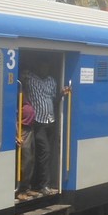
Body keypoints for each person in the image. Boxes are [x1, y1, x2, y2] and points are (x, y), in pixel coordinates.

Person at [21, 61, 69, 196]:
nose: (44, 69)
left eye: (47, 67)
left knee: (45, 154)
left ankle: (39, 184)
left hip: (50, 121)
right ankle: (43, 185)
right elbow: (19, 75)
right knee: (44, 152)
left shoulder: (51, 81)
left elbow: (53, 100)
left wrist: (61, 94)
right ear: (37, 67)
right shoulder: (30, 78)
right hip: (37, 123)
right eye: (42, 66)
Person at [15, 89, 37, 200]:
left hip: (29, 129)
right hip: (22, 130)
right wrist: (16, 135)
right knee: (25, 160)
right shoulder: (16, 96)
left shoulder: (26, 95)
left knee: (30, 160)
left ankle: (27, 187)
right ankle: (20, 190)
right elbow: (13, 119)